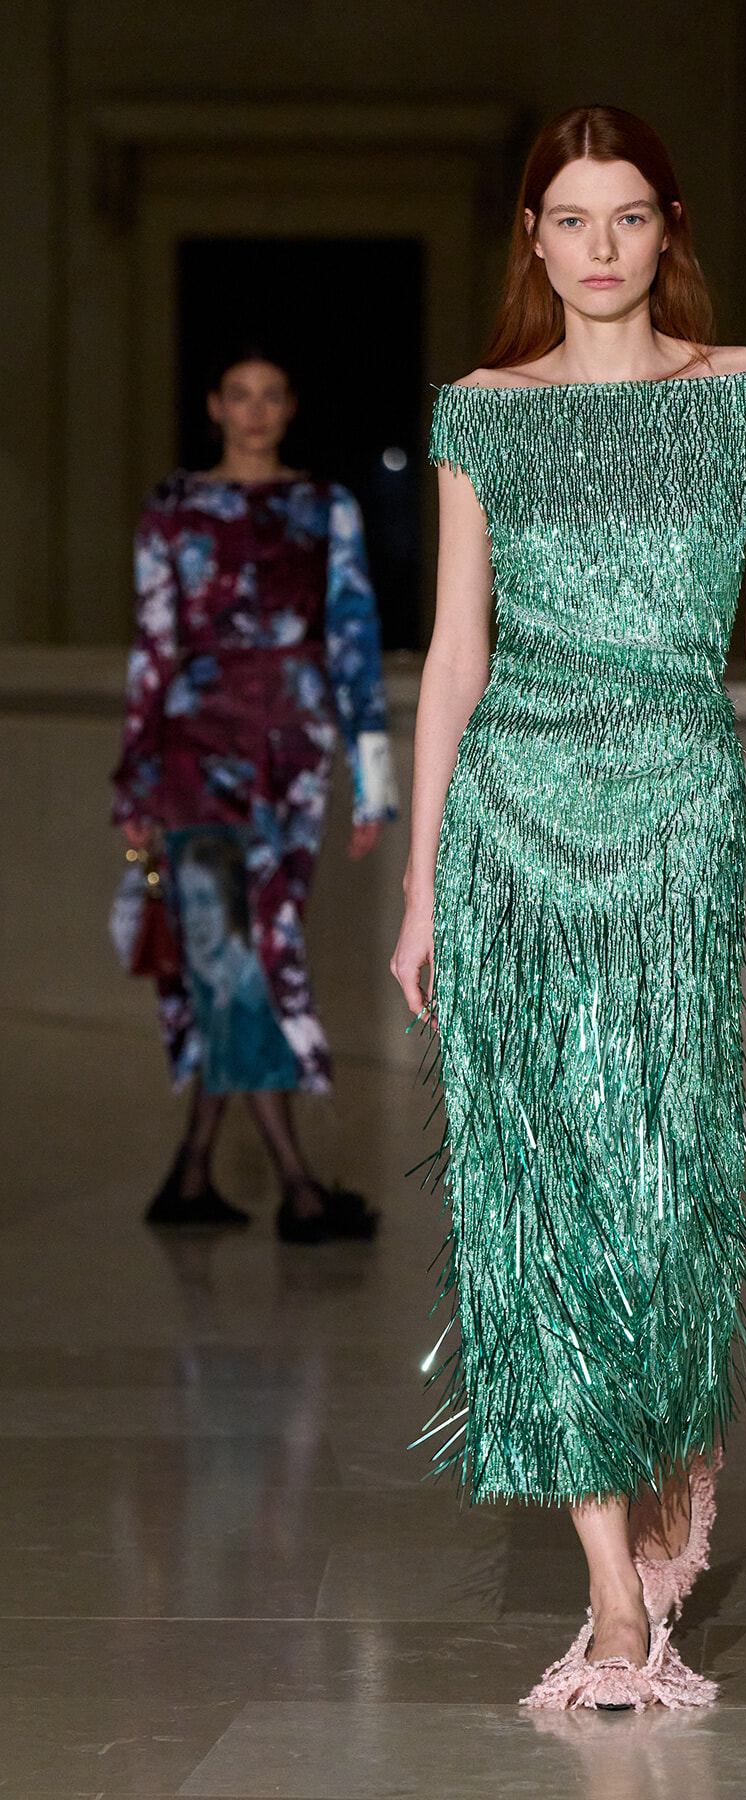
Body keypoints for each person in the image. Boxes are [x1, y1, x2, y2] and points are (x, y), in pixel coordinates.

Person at [390, 104, 746, 1709]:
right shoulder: (480, 415)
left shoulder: (745, 397)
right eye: (569, 220)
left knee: (667, 1180)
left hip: (681, 813)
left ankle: (673, 1458)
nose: (600, 247)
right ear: (534, 240)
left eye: (626, 216)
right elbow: (455, 654)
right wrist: (426, 877)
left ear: (669, 226)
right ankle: (613, 1610)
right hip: (512, 821)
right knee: (536, 1191)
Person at [113, 346, 396, 1244]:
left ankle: (192, 1175)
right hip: (197, 754)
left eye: (272, 395)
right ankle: (299, 1189)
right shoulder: (174, 507)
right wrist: (136, 780)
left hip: (295, 757)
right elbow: (152, 646)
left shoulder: (326, 506)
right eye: (239, 395)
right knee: (239, 957)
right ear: (213, 406)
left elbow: (354, 633)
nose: (255, 410)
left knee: (248, 955)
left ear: (291, 407)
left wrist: (374, 783)